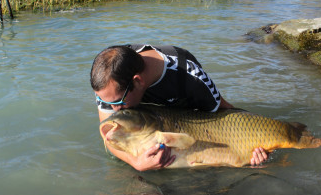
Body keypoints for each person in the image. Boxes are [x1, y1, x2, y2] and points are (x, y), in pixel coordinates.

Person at [90, 44, 268, 171]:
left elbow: (227, 112)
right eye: (105, 101)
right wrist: (136, 163)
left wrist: (252, 145)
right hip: (151, 128)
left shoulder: (191, 77)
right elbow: (108, 135)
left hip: (190, 122)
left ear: (138, 81)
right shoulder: (109, 79)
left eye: (119, 103)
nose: (114, 109)